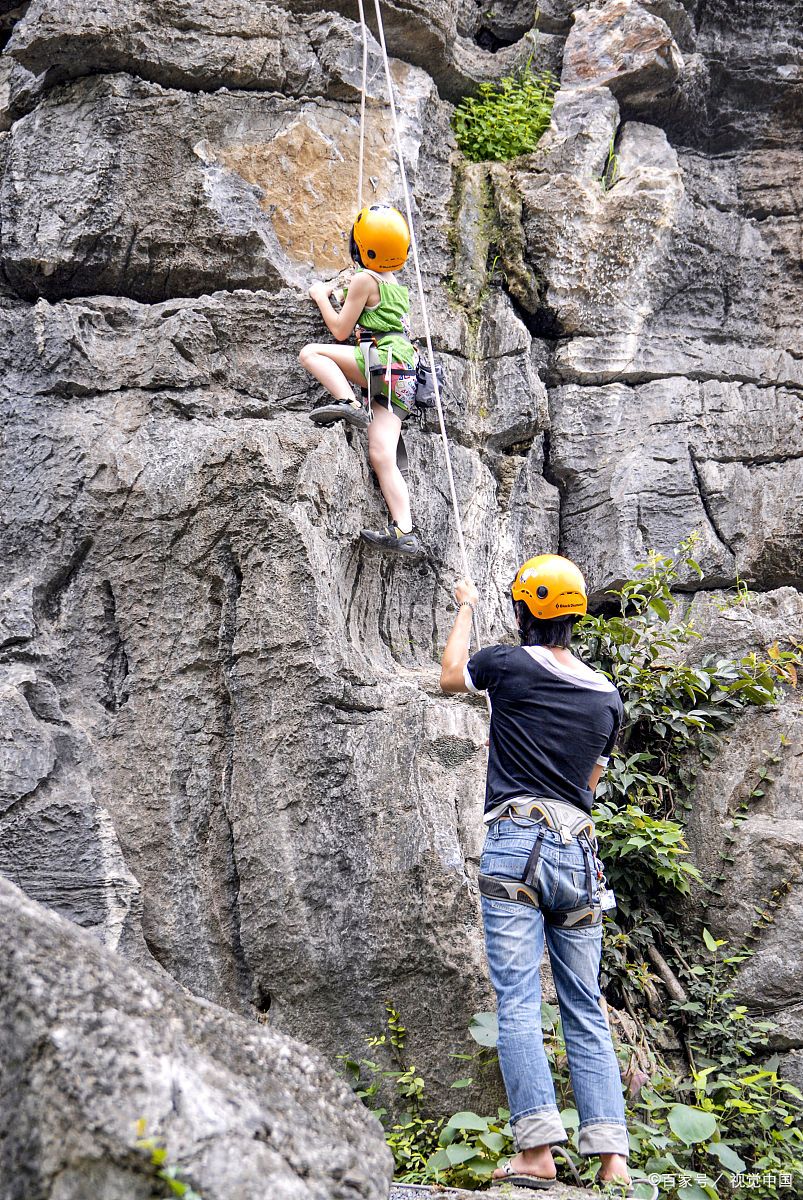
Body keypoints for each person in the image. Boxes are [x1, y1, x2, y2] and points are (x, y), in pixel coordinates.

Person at [440, 555, 651, 1199]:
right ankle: (612, 1157)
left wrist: (466, 606)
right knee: (585, 1007)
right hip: (581, 854)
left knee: (518, 1001)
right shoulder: (605, 695)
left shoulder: (506, 663)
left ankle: (537, 1150)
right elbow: (590, 784)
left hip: (519, 842)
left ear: (524, 607)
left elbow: (451, 677)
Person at [299, 203, 422, 558]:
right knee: (382, 453)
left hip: (382, 362)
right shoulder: (396, 283)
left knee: (311, 353)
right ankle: (404, 527)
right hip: (404, 373)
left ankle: (348, 403)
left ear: (361, 247)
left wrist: (322, 295)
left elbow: (340, 330)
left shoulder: (364, 279)